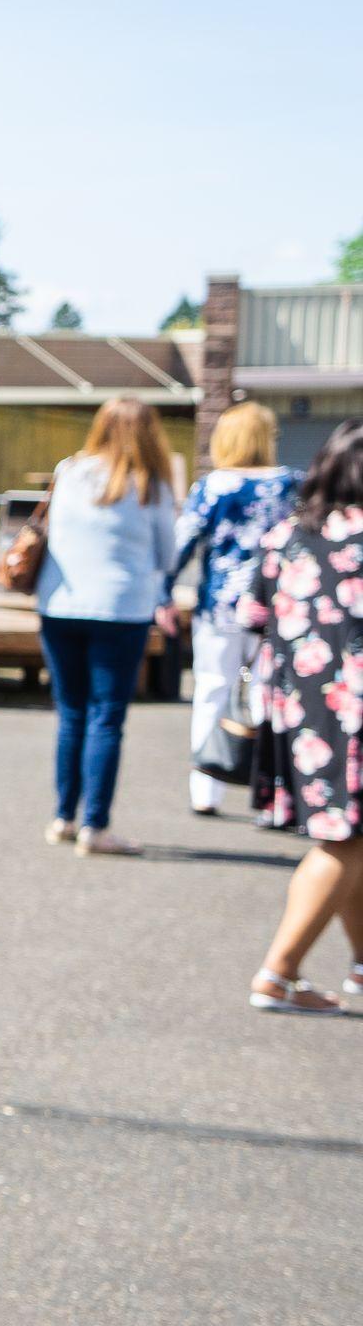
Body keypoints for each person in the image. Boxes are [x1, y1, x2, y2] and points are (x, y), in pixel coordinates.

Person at [238, 417, 363, 1014]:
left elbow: (251, 613)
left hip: (303, 714)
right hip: (356, 715)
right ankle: (278, 972)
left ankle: (362, 966)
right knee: (343, 842)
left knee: (347, 837)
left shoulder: (286, 534)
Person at [34, 396, 182, 856]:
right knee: (106, 719)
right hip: (120, 609)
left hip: (59, 604)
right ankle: (94, 826)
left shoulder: (68, 470)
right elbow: (167, 556)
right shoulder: (150, 485)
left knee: (71, 714)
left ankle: (64, 816)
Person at [173, 401, 298, 817]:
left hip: (220, 607)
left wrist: (164, 592)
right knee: (270, 696)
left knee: (212, 689)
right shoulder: (290, 484)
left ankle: (206, 786)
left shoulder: (213, 486)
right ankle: (270, 796)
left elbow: (182, 543)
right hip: (277, 609)